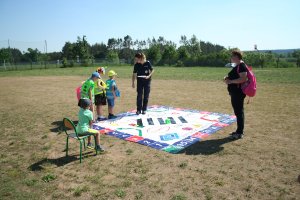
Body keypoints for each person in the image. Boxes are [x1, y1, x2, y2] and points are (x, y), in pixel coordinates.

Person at [223, 50, 248, 139]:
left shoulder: (241, 66)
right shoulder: (238, 66)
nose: (231, 58)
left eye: (232, 56)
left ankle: (240, 132)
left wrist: (230, 81)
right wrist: (227, 78)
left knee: (239, 111)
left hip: (238, 93)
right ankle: (238, 131)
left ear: (236, 57)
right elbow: (236, 77)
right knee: (237, 112)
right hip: (235, 92)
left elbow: (243, 79)